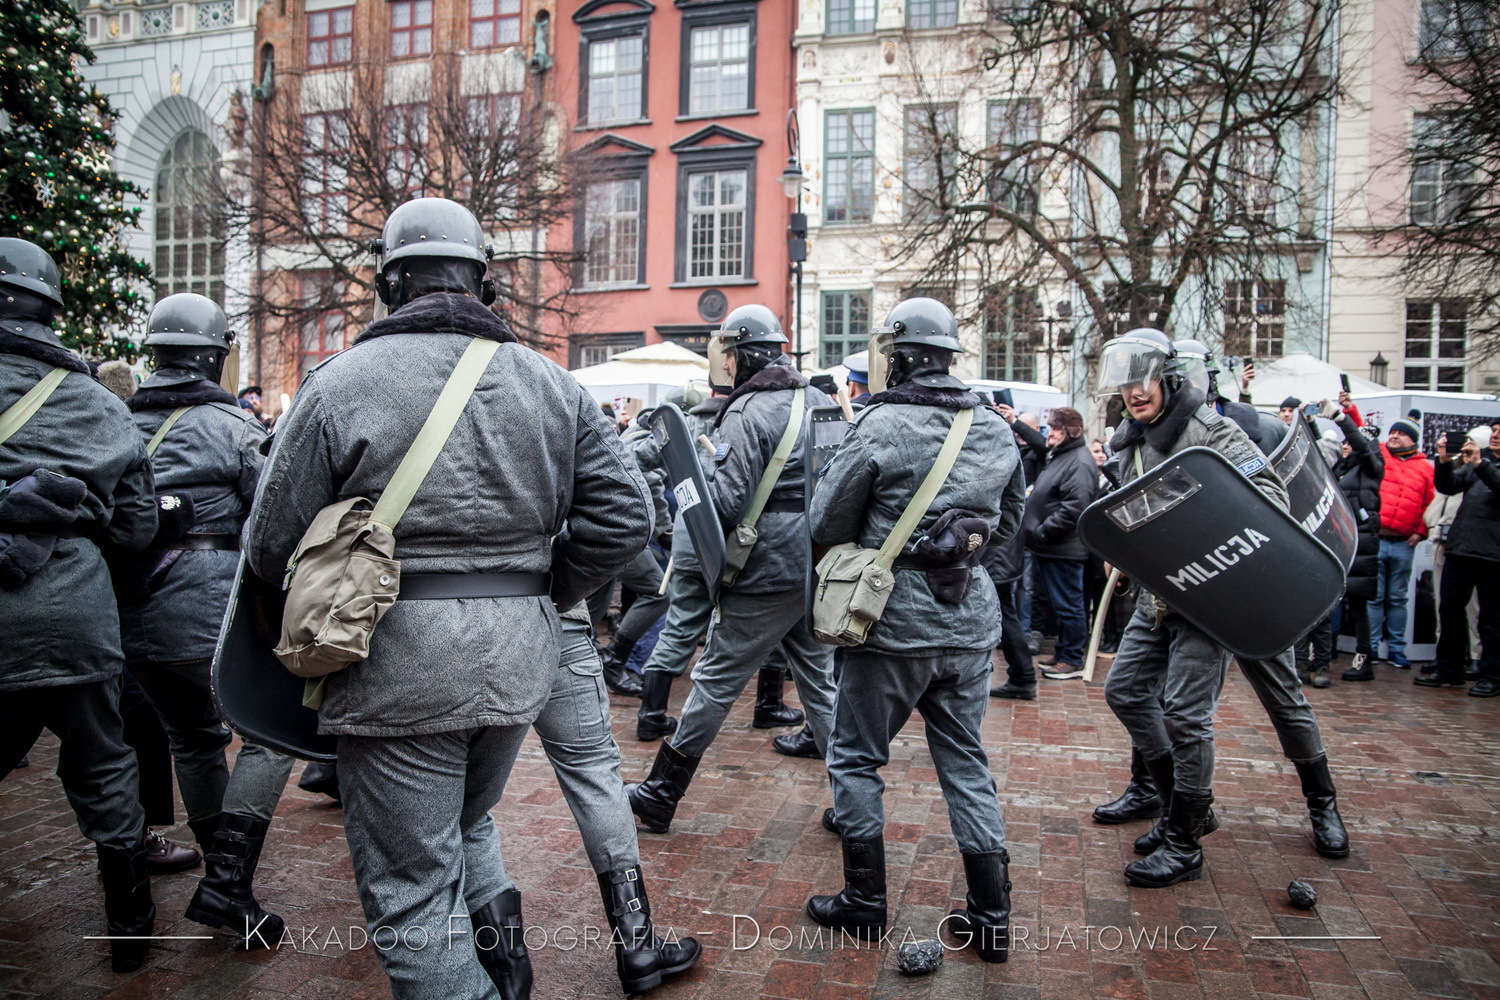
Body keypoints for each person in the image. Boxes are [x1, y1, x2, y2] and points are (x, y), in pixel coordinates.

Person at [243, 198, 653, 999]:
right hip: (519, 659)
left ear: (391, 282)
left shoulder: (339, 383)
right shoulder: (550, 381)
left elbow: (267, 545)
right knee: (462, 828)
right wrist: (542, 588)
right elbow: (626, 519)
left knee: (411, 898)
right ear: (482, 281)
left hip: (393, 664)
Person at [807, 298, 1025, 961]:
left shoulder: (878, 426)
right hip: (968, 621)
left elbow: (825, 526)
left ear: (898, 357)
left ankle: (865, 903)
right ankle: (992, 917)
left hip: (889, 623)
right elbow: (1010, 528)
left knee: (854, 758)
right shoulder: (996, 429)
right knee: (966, 763)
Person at [1096, 330, 1348, 887]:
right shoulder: (1130, 441)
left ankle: (1319, 806)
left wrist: (1206, 527)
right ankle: (1184, 807)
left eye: (1143, 380)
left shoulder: (1218, 433)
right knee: (1127, 691)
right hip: (1165, 592)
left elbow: (1273, 503)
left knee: (1276, 703)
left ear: (1172, 378)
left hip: (1229, 591)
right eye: (1126, 383)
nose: (1133, 392)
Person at [0, 237, 159, 972]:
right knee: (101, 762)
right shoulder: (98, 401)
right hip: (75, 610)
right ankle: (130, 919)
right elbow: (133, 527)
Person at [627, 305, 837, 835]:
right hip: (812, 564)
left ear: (739, 356)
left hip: (764, 569)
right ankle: (857, 801)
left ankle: (661, 791)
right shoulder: (822, 401)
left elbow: (721, 502)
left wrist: (687, 481)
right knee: (819, 685)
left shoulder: (746, 413)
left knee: (716, 679)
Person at [118, 293, 267, 865]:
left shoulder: (116, 420)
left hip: (132, 612)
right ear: (214, 355)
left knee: (192, 739)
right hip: (208, 614)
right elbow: (273, 513)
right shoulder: (232, 425)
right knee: (264, 735)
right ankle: (228, 874)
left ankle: (216, 861)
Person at [1417, 431, 1499, 695]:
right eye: (1494, 430)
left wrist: (1479, 464)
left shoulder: (1482, 464)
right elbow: (1449, 486)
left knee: (1492, 619)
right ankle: (1449, 669)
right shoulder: (1479, 463)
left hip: (1493, 555)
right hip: (1461, 549)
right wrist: (1443, 461)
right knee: (1449, 610)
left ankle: (1492, 676)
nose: (1495, 434)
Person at [1022, 406, 1097, 681]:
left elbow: (1075, 507)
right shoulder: (1064, 455)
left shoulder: (1078, 461)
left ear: (1068, 432)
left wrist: (1043, 531)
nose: (1049, 434)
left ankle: (1072, 658)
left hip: (1063, 548)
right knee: (1063, 605)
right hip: (1052, 547)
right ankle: (1064, 653)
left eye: (1055, 429)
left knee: (1069, 605)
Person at [1319, 396, 1383, 682]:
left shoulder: (1371, 466)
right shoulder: (1342, 468)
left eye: (1350, 442)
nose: (1346, 445)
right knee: (1330, 602)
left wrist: (1342, 419)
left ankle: (1363, 658)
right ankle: (1322, 656)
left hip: (1362, 544)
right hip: (1341, 540)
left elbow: (1360, 443)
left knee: (1357, 607)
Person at [1369, 417, 1434, 669]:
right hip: (1378, 540)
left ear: (1413, 440)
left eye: (1400, 433)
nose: (1394, 436)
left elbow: (1430, 503)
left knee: (1397, 598)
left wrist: (1420, 532)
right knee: (1374, 598)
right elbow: (1362, 436)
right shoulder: (1381, 454)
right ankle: (1372, 648)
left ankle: (1397, 650)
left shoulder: (1425, 468)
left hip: (1403, 544)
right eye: (1392, 431)